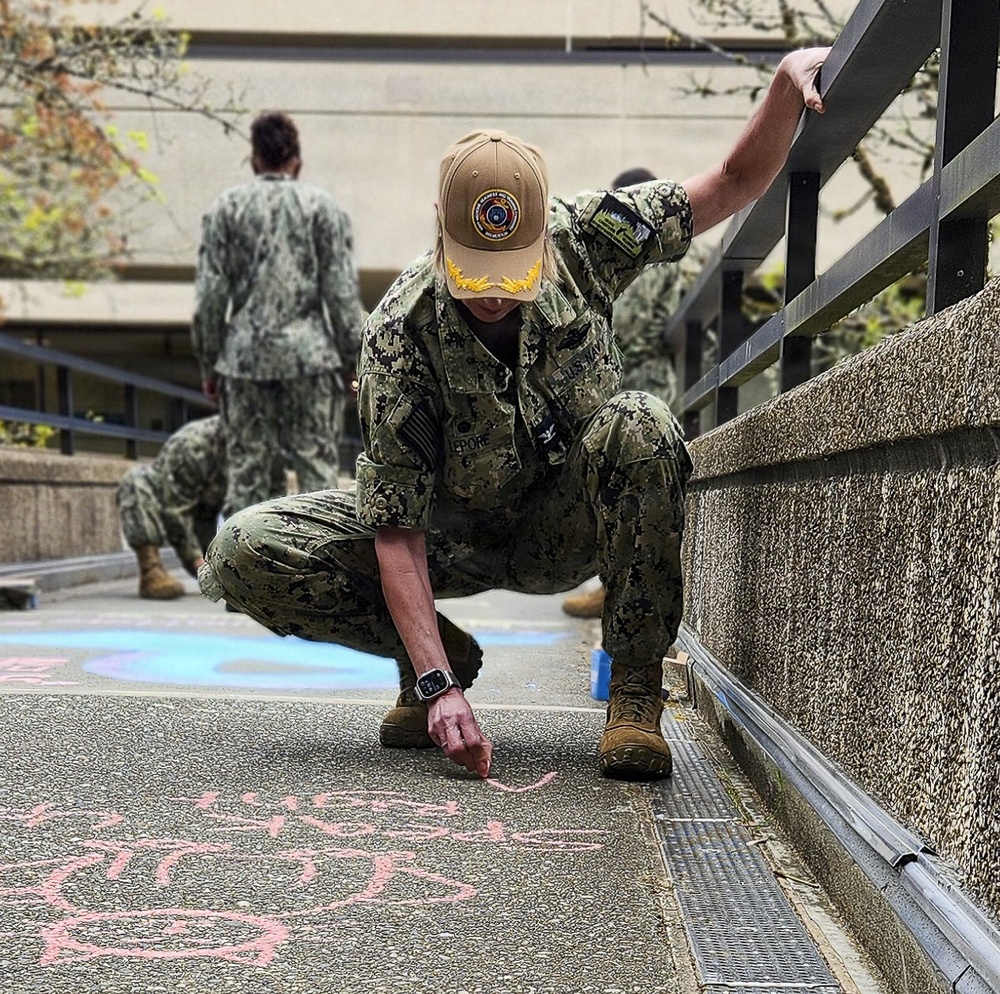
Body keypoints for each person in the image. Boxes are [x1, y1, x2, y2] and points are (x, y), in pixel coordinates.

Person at [199, 49, 829, 781]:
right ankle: (437, 654)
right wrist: (437, 686)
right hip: (448, 535)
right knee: (244, 549)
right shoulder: (399, 332)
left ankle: (632, 695)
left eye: (511, 276)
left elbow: (731, 183)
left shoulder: (588, 235)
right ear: (439, 228)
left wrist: (785, 83)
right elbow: (397, 531)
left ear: (539, 233)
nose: (493, 297)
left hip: (565, 524)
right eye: (475, 277)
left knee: (645, 424)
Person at [191, 111, 367, 518]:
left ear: (255, 160)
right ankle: (321, 573)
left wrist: (209, 363)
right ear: (297, 161)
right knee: (318, 474)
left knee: (247, 475)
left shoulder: (225, 209)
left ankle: (243, 574)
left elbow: (210, 297)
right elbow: (340, 293)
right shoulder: (322, 208)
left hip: (243, 358)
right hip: (311, 358)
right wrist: (351, 361)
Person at [563, 166, 684, 620]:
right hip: (608, 377)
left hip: (650, 375)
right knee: (607, 486)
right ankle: (607, 585)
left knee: (648, 484)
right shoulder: (602, 254)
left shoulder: (668, 255)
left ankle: (635, 603)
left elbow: (683, 320)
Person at [117, 415, 225, 600]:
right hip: (166, 501)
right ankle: (151, 571)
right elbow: (175, 507)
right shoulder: (193, 444)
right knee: (136, 481)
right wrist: (196, 560)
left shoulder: (257, 448)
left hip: (204, 516)